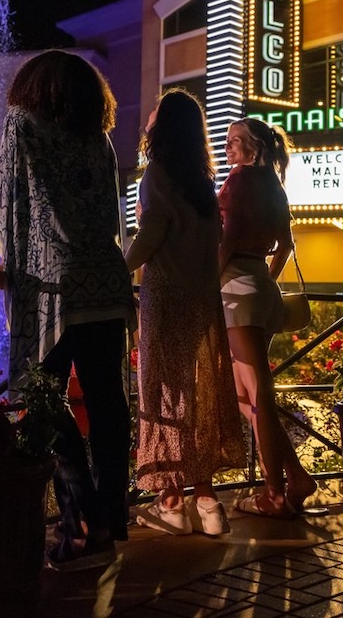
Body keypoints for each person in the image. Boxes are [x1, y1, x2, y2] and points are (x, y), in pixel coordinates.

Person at [0, 50, 137, 570]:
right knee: (108, 405)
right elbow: (106, 213)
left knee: (38, 399)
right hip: (108, 281)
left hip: (55, 286)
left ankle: (82, 523)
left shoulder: (23, 124)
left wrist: (12, 261)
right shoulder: (100, 137)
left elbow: (14, 202)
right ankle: (111, 519)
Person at [124, 90, 246, 536]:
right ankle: (208, 500)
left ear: (164, 126)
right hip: (201, 298)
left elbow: (151, 236)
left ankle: (172, 501)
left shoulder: (156, 175)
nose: (148, 119)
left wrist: (118, 268)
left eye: (155, 114)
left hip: (166, 295)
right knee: (199, 390)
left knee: (162, 392)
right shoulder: (201, 179)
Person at [218, 117, 318, 517]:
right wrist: (264, 282)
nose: (228, 149)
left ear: (254, 146)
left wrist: (212, 283)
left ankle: (274, 494)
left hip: (237, 292)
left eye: (235, 141)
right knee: (245, 395)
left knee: (256, 393)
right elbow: (286, 244)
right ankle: (295, 476)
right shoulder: (274, 185)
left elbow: (225, 240)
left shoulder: (240, 180)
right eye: (226, 142)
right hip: (260, 286)